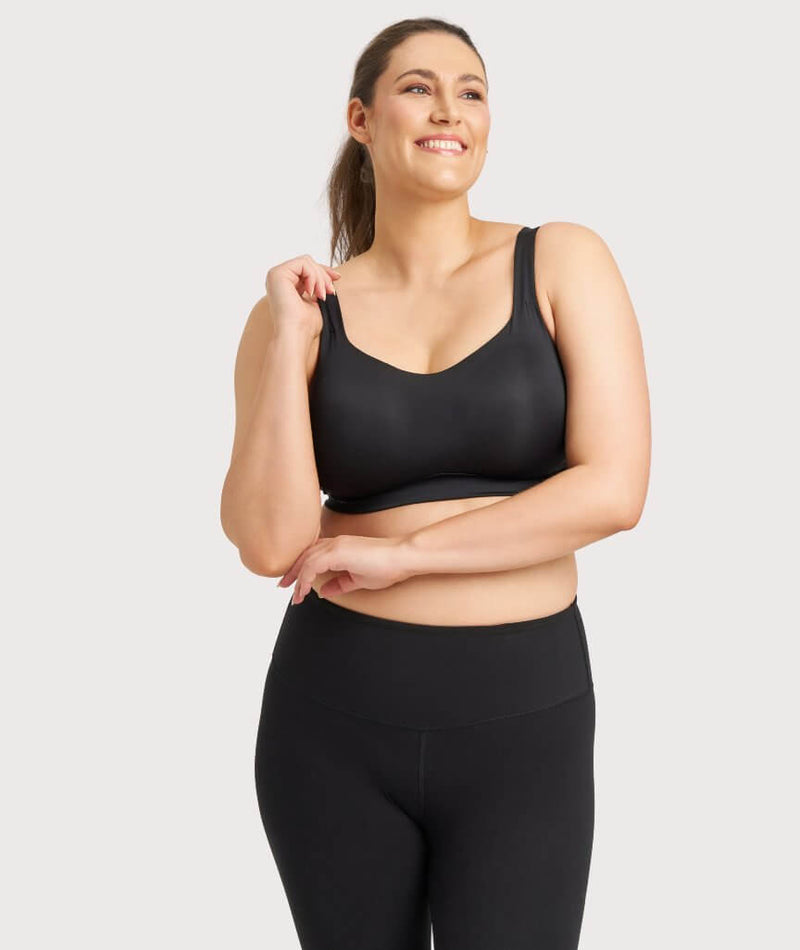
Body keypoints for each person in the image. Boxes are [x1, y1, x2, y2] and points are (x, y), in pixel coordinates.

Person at [220, 16, 650, 950]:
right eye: (417, 87)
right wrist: (290, 340)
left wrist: (405, 556)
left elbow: (615, 490)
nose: (449, 109)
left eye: (471, 91)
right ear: (361, 119)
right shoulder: (299, 313)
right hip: (331, 719)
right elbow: (269, 543)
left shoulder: (561, 259)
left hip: (523, 716)